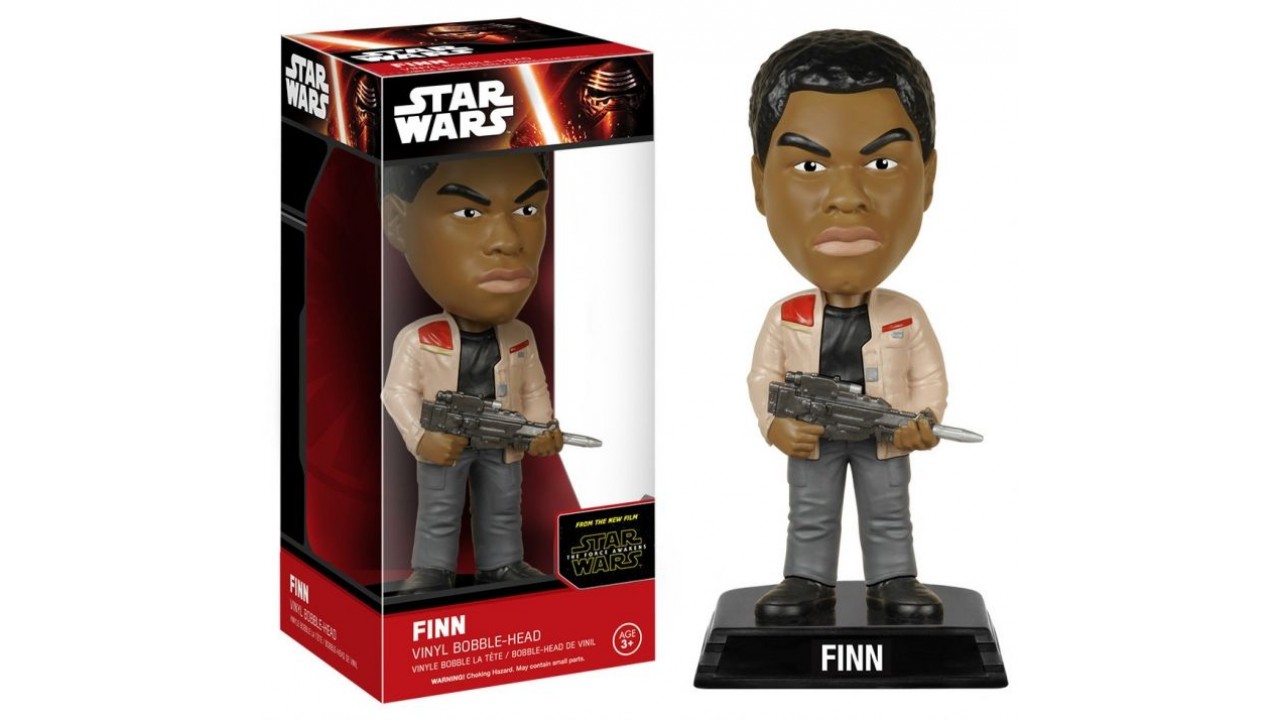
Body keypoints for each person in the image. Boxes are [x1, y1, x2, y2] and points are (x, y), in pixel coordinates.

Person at [745, 29, 949, 623]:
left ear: (927, 178)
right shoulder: (786, 316)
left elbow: (929, 378)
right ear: (759, 183)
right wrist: (775, 425)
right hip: (815, 429)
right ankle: (807, 579)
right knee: (810, 509)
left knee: (888, 508)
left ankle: (893, 577)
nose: (846, 198)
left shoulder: (906, 316)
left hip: (880, 430)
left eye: (882, 163)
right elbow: (762, 377)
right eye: (810, 165)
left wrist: (923, 419)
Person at [381, 153, 564, 592]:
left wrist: (542, 428)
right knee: (440, 506)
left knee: (503, 502)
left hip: (501, 433)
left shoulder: (519, 336)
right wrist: (421, 437)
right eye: (468, 213)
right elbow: (396, 393)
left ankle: (502, 564)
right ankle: (432, 569)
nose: (508, 242)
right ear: (397, 222)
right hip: (448, 436)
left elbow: (533, 389)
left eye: (528, 209)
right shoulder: (421, 338)